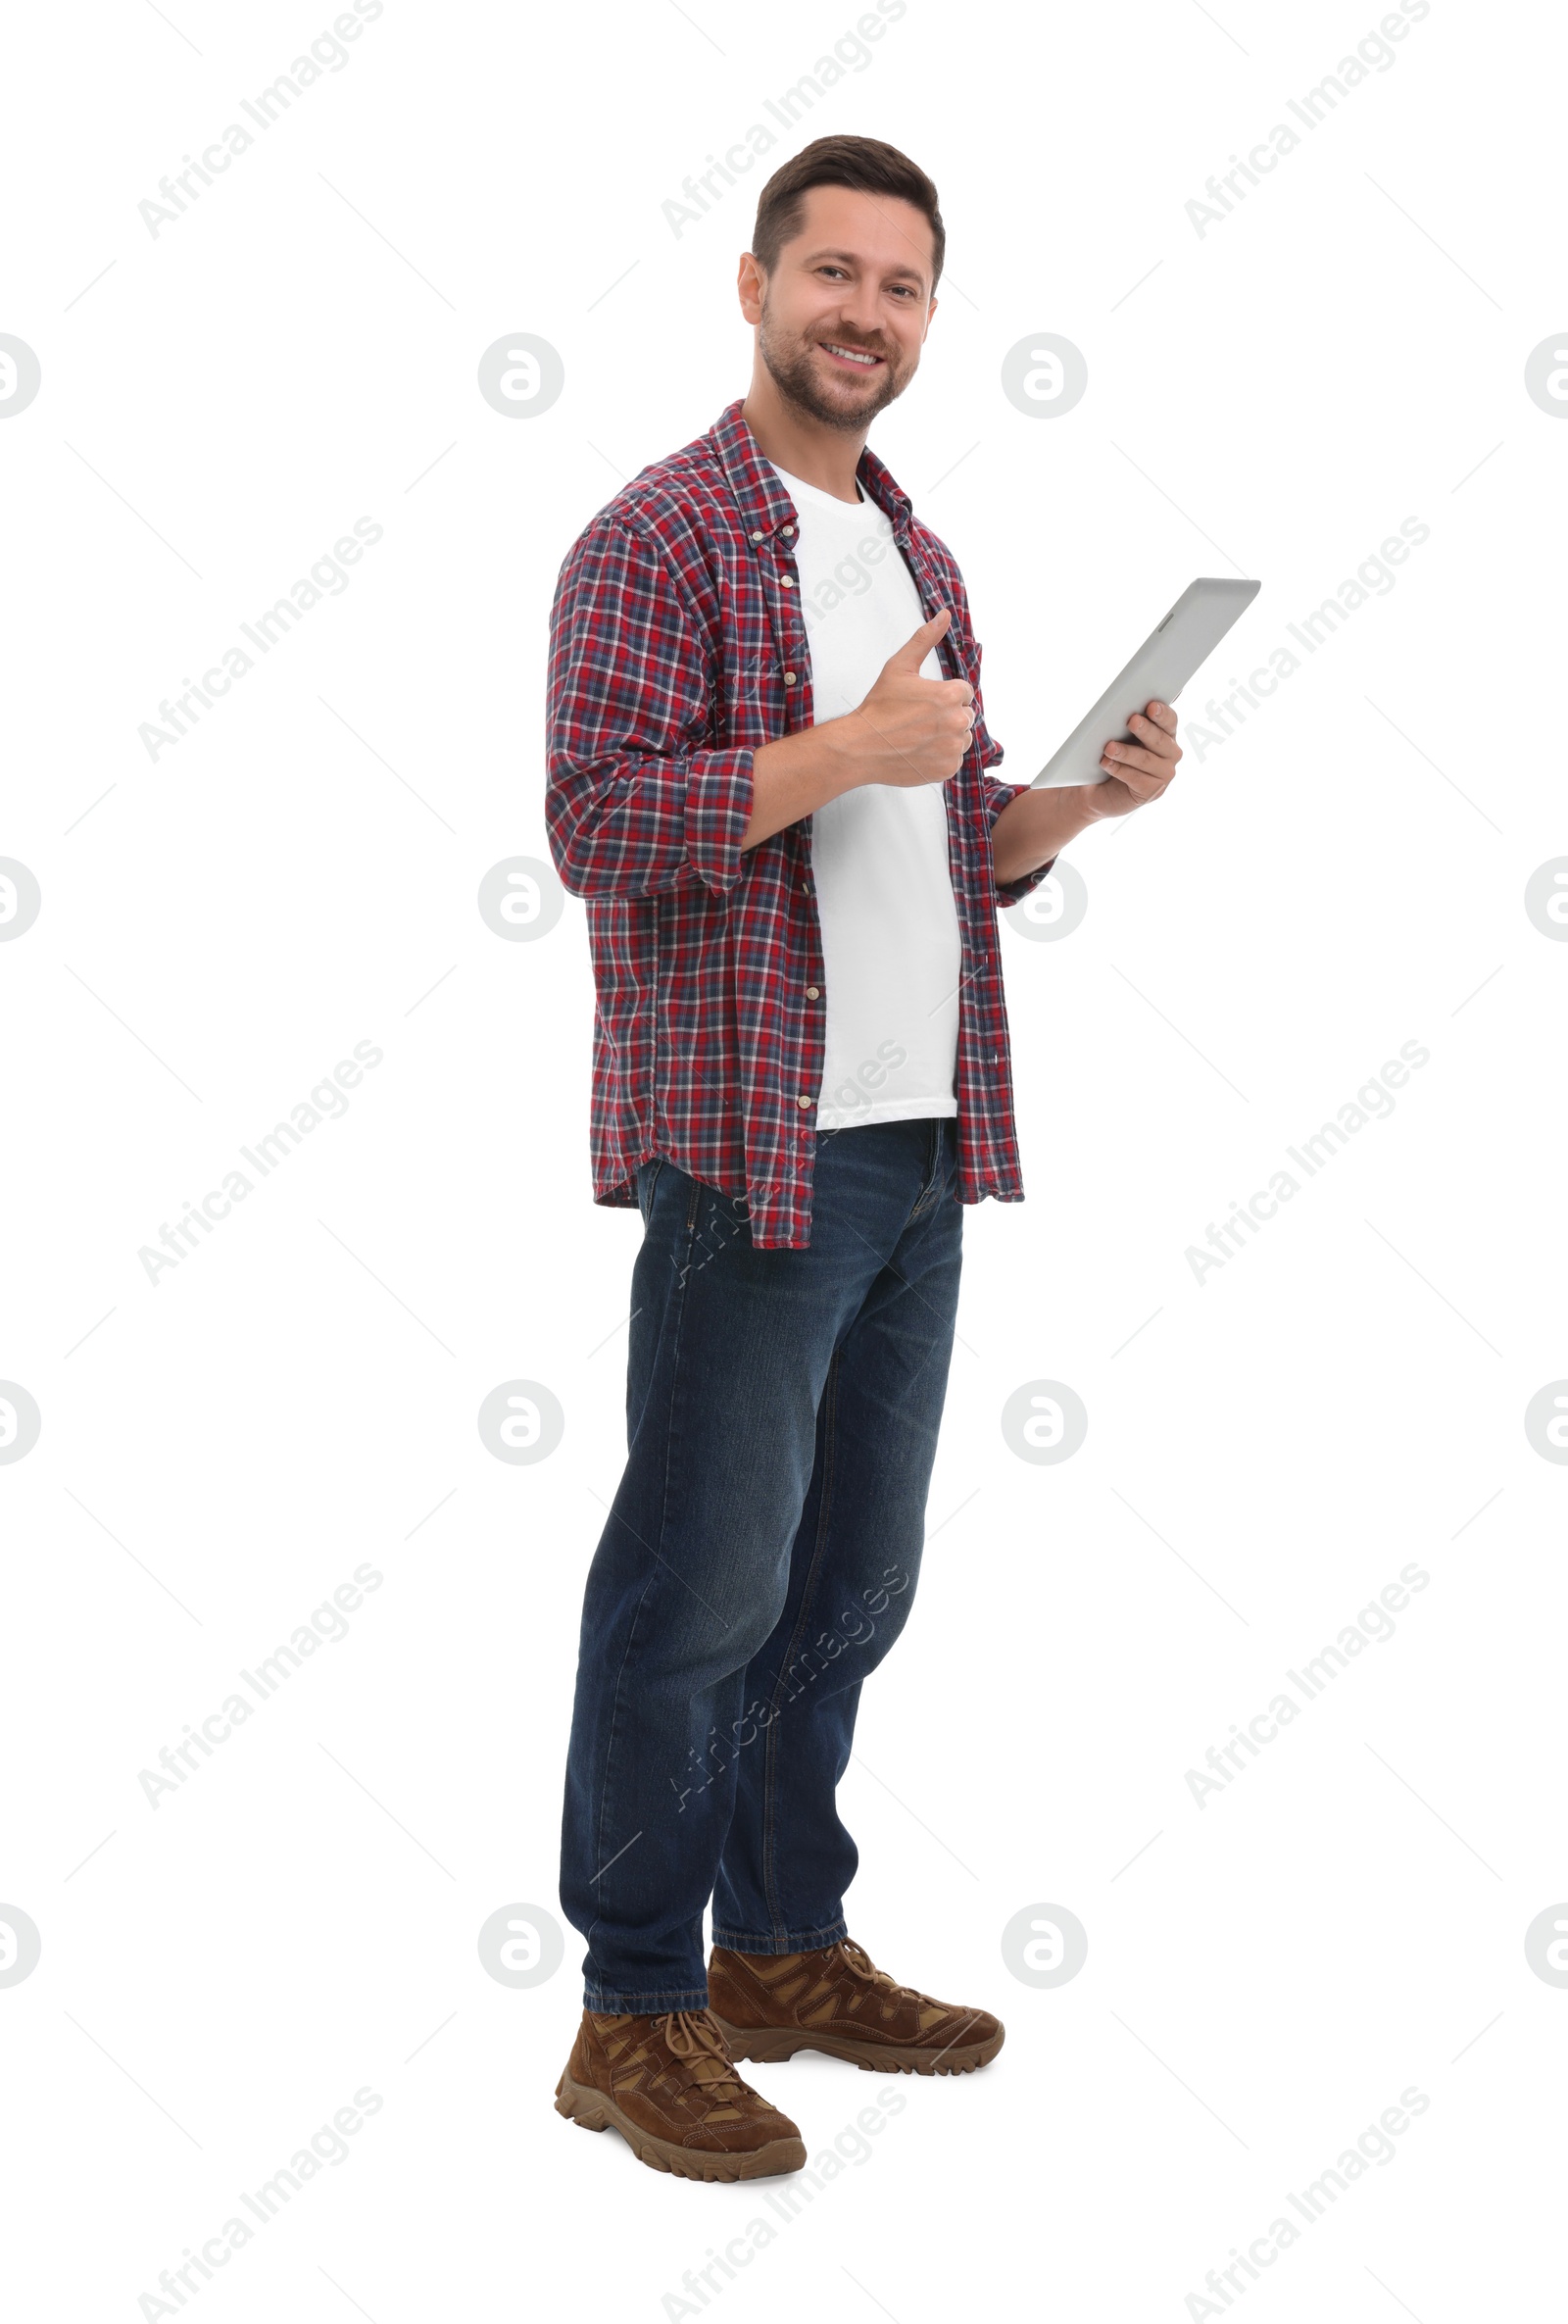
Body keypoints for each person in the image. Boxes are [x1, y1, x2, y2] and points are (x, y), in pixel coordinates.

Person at [544, 132, 1183, 2183]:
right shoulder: (655, 536)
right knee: (695, 1593)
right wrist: (846, 753)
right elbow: (595, 825)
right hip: (748, 1160)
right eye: (830, 273)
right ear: (751, 287)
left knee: (849, 1586)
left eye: (899, 288)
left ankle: (780, 1947)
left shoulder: (913, 553)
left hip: (910, 1150)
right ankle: (631, 2004)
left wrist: (1076, 797)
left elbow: (950, 840)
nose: (863, 315)